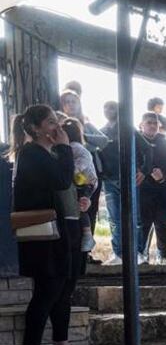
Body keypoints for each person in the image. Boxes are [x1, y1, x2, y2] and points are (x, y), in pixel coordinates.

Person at [11, 105, 90, 345]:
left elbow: (67, 184)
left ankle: (61, 344)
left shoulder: (50, 153)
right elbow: (60, 180)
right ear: (35, 128)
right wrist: (66, 148)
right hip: (44, 234)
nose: (57, 127)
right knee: (48, 290)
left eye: (57, 121)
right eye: (50, 122)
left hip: (63, 229)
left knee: (64, 288)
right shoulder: (31, 153)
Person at [59, 88, 108, 262]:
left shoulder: (85, 123)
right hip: (71, 177)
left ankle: (85, 251)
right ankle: (76, 249)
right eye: (67, 101)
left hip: (85, 175)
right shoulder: (58, 121)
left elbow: (103, 140)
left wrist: (82, 136)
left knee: (87, 208)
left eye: (74, 101)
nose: (71, 105)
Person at [136, 112, 166, 264]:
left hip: (163, 189)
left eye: (155, 123)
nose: (153, 125)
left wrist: (164, 174)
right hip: (142, 190)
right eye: (149, 122)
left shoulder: (165, 143)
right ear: (141, 125)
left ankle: (165, 255)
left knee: (164, 222)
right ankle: (141, 254)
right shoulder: (135, 141)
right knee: (143, 223)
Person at [60, 118, 99, 254]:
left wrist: (70, 171)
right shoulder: (76, 147)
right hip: (83, 181)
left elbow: (83, 162)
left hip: (85, 182)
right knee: (81, 207)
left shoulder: (75, 147)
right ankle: (87, 235)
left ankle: (88, 235)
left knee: (81, 207)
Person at [97, 101, 124, 265]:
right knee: (114, 219)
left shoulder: (127, 130)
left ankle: (134, 253)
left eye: (111, 107)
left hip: (127, 179)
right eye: (105, 107)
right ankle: (118, 253)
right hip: (109, 179)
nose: (108, 110)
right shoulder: (100, 132)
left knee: (132, 219)